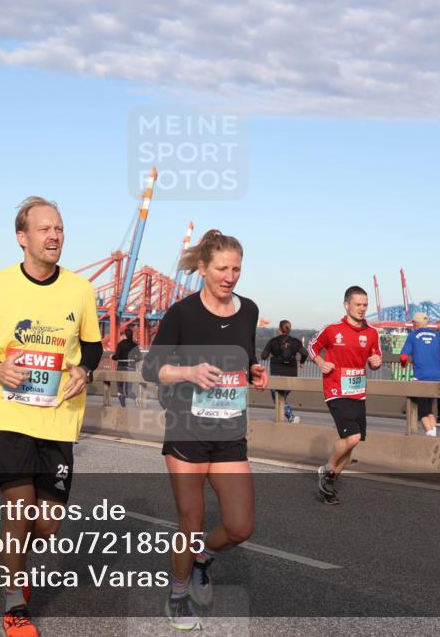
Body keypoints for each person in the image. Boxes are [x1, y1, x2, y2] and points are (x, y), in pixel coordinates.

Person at [0, 197, 102, 637]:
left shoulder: (80, 289)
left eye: (59, 228)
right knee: (19, 508)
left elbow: (93, 347)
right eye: (44, 229)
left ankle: (16, 560)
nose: (55, 236)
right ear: (22, 237)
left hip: (59, 417)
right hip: (8, 413)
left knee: (47, 523)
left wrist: (85, 369)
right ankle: (14, 602)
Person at [141, 229, 268, 631]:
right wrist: (188, 372)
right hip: (187, 431)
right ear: (202, 268)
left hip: (229, 432)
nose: (230, 277)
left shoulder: (248, 310)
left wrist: (254, 370)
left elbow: (244, 357)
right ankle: (178, 594)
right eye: (222, 269)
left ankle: (202, 560)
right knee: (191, 522)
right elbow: (150, 368)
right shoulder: (183, 313)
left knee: (240, 527)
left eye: (236, 269)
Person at [307, 286, 383, 505]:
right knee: (353, 437)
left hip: (358, 391)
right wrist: (320, 362)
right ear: (346, 305)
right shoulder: (332, 329)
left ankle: (328, 486)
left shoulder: (372, 333)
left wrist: (376, 362)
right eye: (358, 304)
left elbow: (376, 359)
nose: (362, 308)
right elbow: (312, 346)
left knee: (351, 445)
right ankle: (327, 469)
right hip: (335, 389)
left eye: (365, 305)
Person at [399, 312, 440, 437]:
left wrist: (403, 364)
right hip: (436, 378)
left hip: (421, 378)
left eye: (413, 322)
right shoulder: (437, 335)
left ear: (416, 323)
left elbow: (403, 356)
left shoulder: (413, 335)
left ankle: (429, 435)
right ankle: (433, 434)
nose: (412, 325)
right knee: (429, 409)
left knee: (422, 411)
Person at [260, 319, 308, 423]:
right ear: (289, 329)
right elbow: (305, 353)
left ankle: (290, 417)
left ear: (279, 329)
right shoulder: (296, 342)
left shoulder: (273, 341)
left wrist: (270, 352)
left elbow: (263, 356)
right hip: (291, 375)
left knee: (278, 399)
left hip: (276, 374)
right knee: (281, 398)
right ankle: (289, 418)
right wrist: (302, 362)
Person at [112, 327, 141, 407]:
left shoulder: (120, 344)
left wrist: (112, 357)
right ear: (132, 335)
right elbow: (140, 357)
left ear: (125, 335)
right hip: (131, 368)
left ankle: (123, 407)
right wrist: (133, 360)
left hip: (121, 367)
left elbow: (116, 357)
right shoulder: (135, 345)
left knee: (120, 389)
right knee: (128, 391)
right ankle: (135, 398)